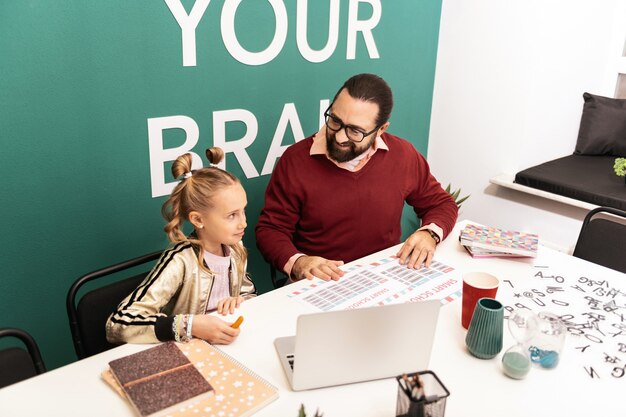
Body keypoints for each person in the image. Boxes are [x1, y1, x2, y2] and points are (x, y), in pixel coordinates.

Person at [256, 73, 458, 283]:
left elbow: (441, 204)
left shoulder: (403, 154)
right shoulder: (296, 160)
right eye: (335, 121)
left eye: (355, 131)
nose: (340, 136)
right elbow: (271, 230)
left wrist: (429, 234)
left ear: (381, 130)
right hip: (319, 284)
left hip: (385, 278)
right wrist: (299, 262)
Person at [106, 147, 256, 345]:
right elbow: (118, 325)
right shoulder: (180, 261)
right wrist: (191, 326)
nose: (243, 223)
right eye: (231, 215)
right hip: (187, 353)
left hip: (227, 347)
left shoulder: (235, 247)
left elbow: (248, 291)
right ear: (198, 219)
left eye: (243, 211)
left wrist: (240, 300)